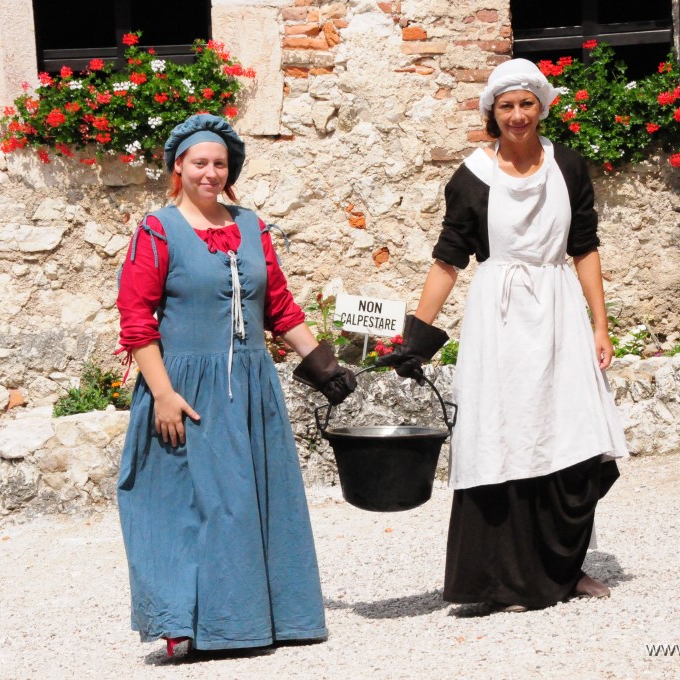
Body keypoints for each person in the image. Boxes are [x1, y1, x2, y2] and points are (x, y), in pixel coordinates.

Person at [379, 59, 629, 612]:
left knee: (572, 433)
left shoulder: (568, 165)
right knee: (501, 436)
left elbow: (584, 247)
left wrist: (600, 324)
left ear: (542, 107)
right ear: (493, 112)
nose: (517, 115)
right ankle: (498, 580)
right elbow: (448, 259)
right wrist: (416, 333)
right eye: (506, 106)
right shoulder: (472, 176)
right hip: (500, 315)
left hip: (559, 306)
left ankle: (563, 568)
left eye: (526, 104)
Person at [115, 114, 356, 656]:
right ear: (179, 167)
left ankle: (270, 619)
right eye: (199, 162)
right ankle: (188, 623)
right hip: (185, 389)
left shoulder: (251, 226)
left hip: (250, 386)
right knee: (195, 507)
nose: (210, 172)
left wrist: (323, 364)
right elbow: (136, 319)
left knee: (261, 502)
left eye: (219, 163)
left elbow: (279, 307)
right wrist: (163, 393)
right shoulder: (157, 230)